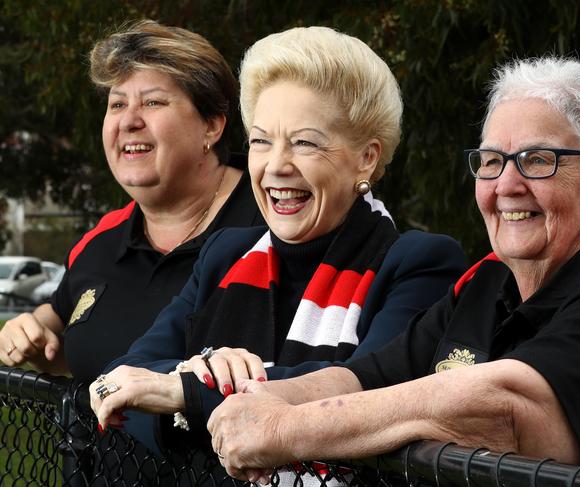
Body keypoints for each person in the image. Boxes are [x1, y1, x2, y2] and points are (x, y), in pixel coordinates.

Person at [205, 56, 580, 482]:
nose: (507, 186)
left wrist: (285, 431)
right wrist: (262, 398)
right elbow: (367, 378)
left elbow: (504, 407)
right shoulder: (485, 281)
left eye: (537, 161)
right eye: (492, 161)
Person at [88, 26, 467, 463]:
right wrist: (189, 385)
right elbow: (123, 379)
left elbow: (365, 393)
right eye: (261, 142)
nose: (276, 166)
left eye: (305, 142)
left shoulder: (418, 264)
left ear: (367, 157)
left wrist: (187, 390)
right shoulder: (224, 254)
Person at [0, 20, 264, 383]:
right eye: (117, 104)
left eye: (153, 102)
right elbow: (69, 344)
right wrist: (29, 335)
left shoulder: (275, 219)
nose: (128, 121)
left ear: (212, 126)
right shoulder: (100, 241)